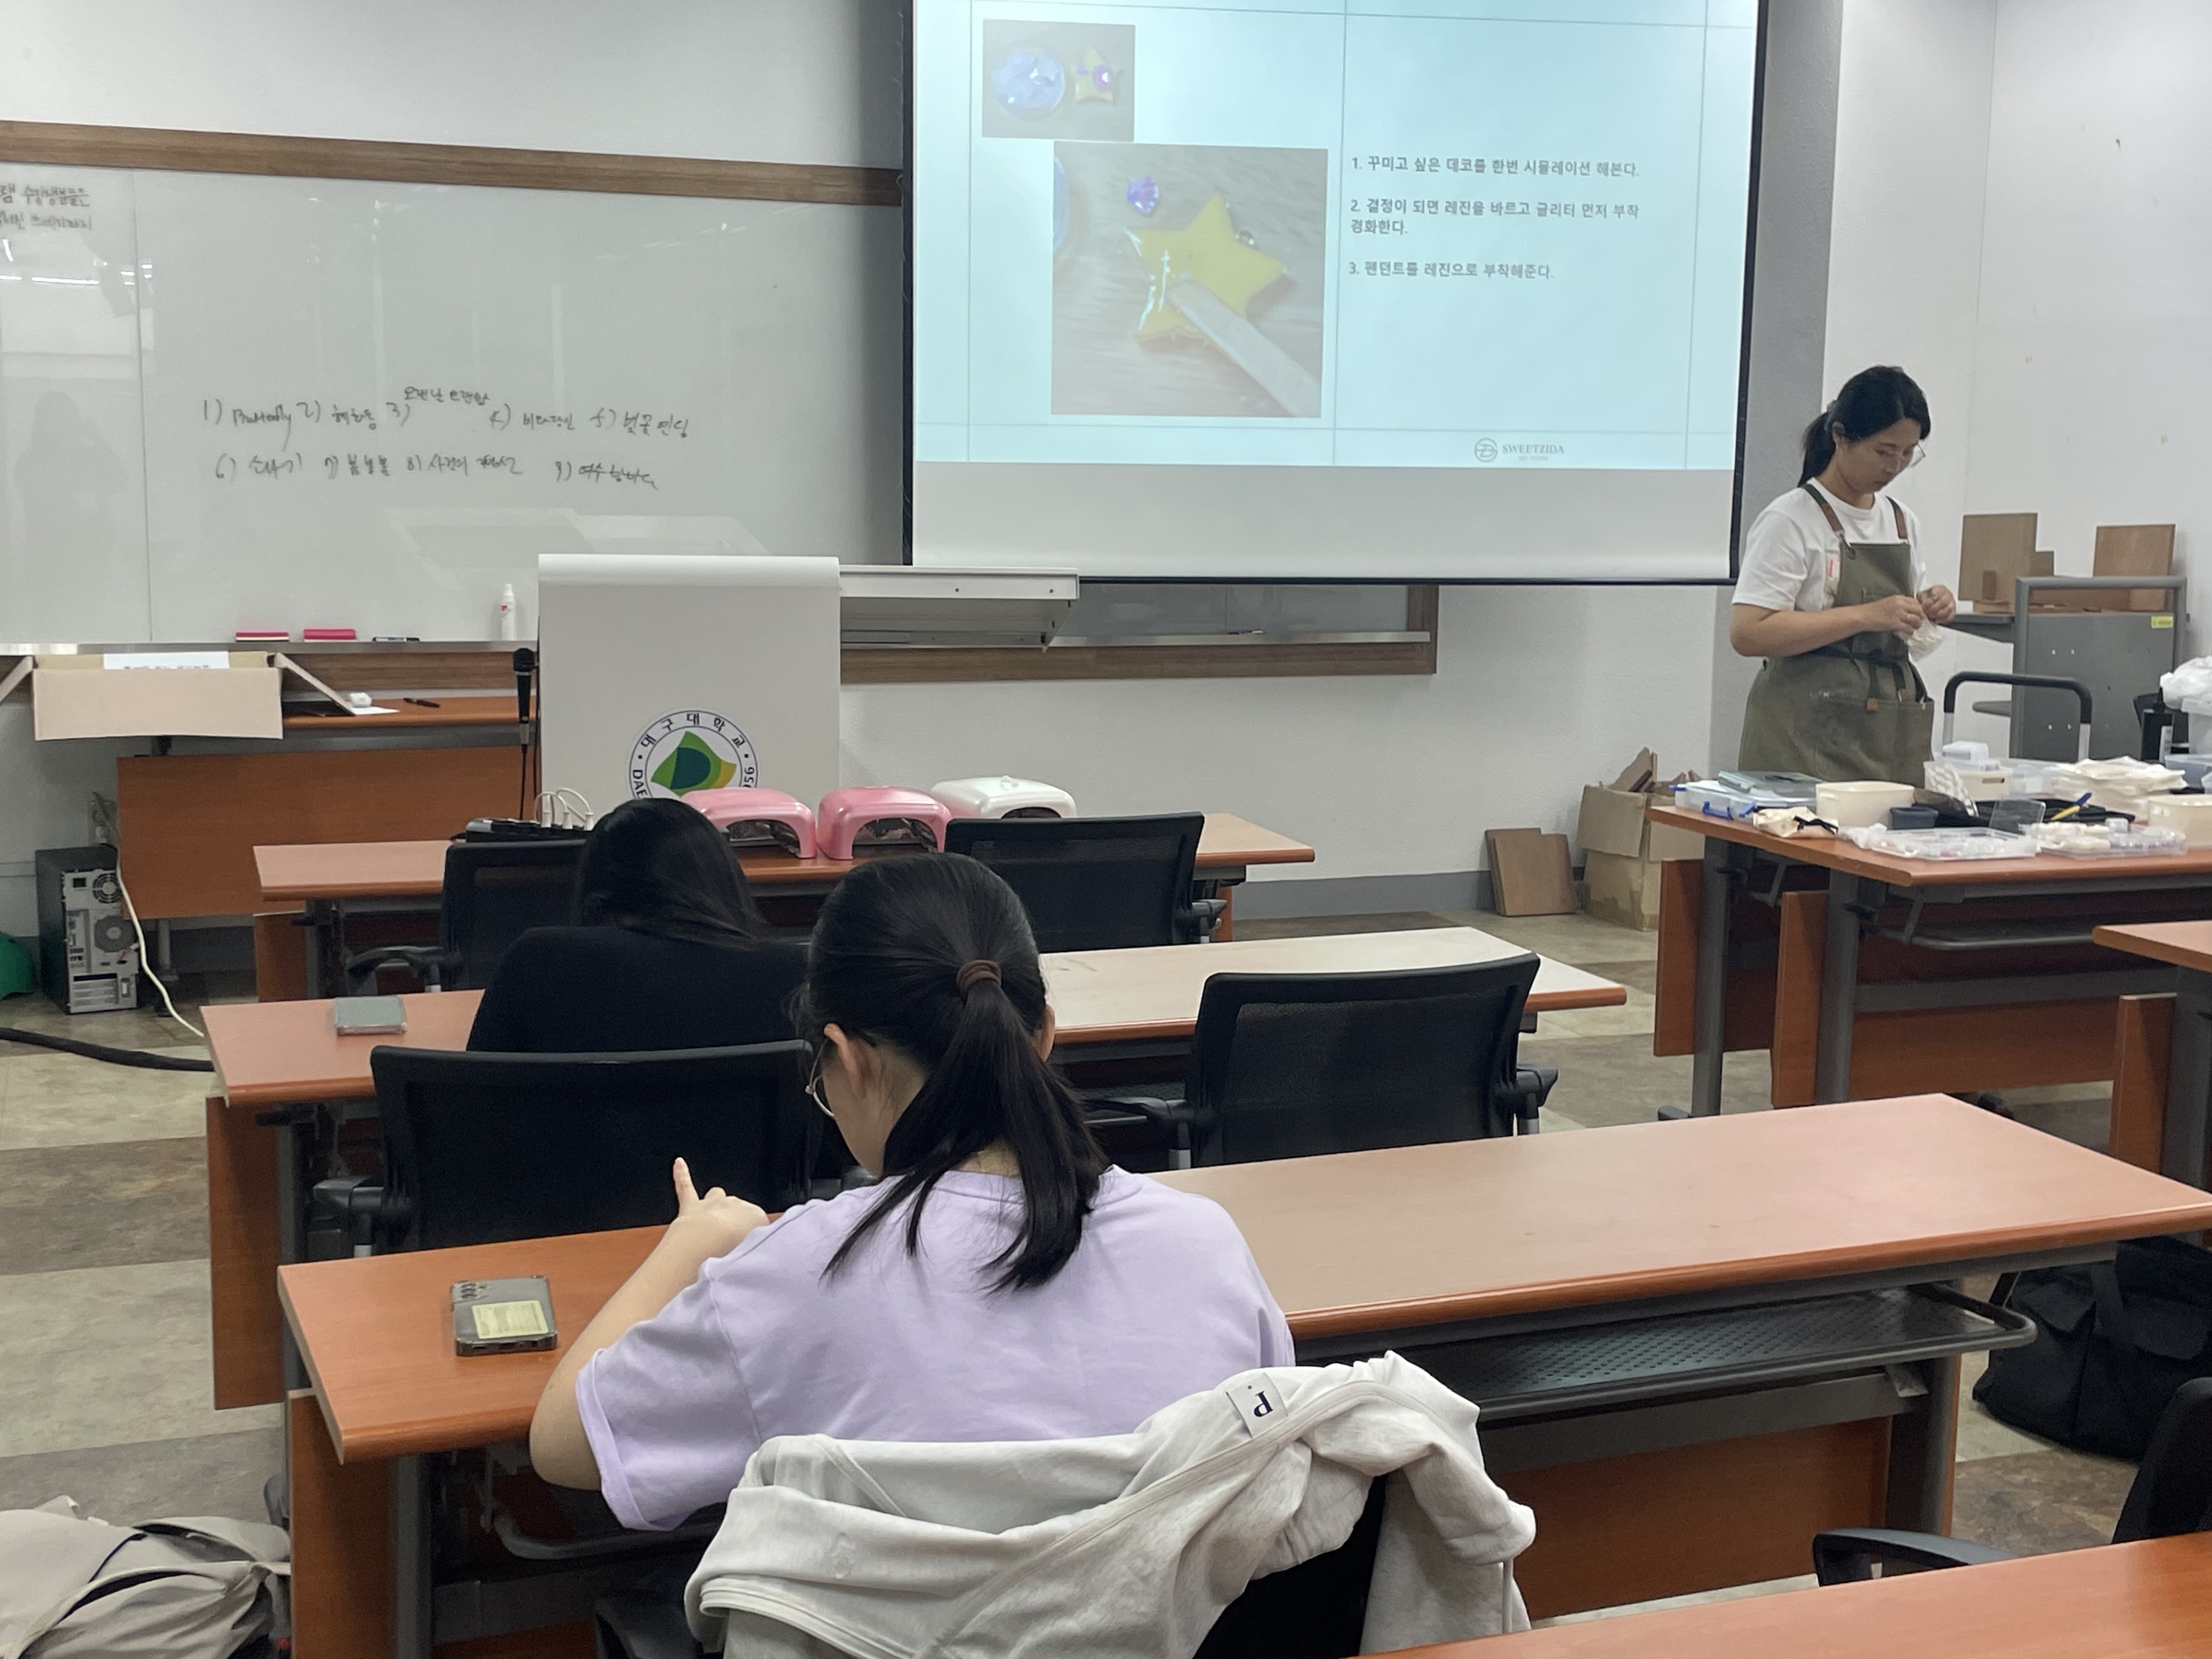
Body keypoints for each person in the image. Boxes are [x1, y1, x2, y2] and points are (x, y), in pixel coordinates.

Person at [528, 853, 1293, 1531]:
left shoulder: (799, 1275)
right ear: (1044, 1036)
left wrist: (692, 1245)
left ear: (848, 1058)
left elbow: (564, 1445)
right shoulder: (1205, 1245)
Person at [1730, 365, 1957, 785]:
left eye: (1908, 453)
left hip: (1884, 730)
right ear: (1841, 436)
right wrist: (1868, 616)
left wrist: (1928, 607)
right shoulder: (1791, 520)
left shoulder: (1901, 522)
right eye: (1884, 451)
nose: (1895, 466)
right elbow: (1749, 632)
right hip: (1805, 735)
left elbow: (1901, 620)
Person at [465, 797, 805, 1053]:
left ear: (596, 888)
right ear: (721, 879)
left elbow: (476, 1099)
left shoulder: (541, 961)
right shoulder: (790, 974)